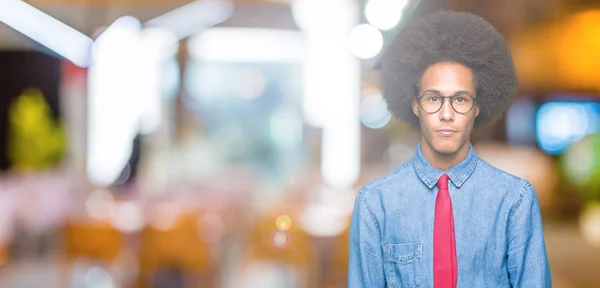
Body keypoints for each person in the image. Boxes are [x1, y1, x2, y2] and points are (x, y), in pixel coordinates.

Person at [348, 11, 551, 287]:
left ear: (477, 106)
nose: (446, 113)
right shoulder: (376, 203)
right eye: (433, 98)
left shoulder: (515, 200)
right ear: (415, 105)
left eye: (460, 99)